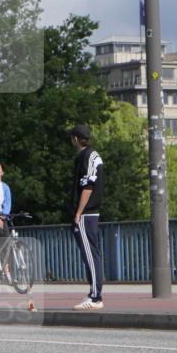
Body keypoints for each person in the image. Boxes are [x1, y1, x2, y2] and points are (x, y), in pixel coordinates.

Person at [68, 124, 105, 310]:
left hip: (86, 212)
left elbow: (88, 185)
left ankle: (95, 296)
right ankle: (94, 293)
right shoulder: (94, 155)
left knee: (90, 254)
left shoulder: (86, 156)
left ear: (76, 138)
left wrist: (78, 212)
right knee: (92, 253)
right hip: (91, 212)